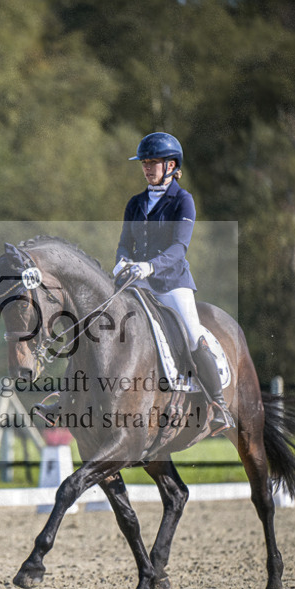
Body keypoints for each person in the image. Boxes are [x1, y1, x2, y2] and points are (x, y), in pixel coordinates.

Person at [112, 132, 235, 435]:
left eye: (153, 162)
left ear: (171, 165)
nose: (147, 167)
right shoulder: (135, 203)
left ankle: (218, 405)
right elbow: (124, 243)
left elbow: (179, 249)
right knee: (106, 325)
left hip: (171, 283)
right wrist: (122, 261)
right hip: (137, 282)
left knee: (193, 335)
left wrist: (150, 266)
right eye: (145, 162)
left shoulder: (183, 201)